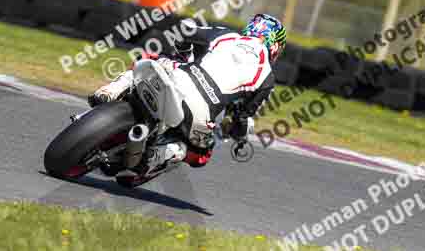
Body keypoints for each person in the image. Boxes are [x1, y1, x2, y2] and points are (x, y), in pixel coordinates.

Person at [89, 13, 286, 186]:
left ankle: (109, 91)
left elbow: (186, 32)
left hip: (178, 79)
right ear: (275, 46)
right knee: (202, 154)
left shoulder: (226, 35)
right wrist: (239, 135)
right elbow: (241, 119)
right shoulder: (267, 77)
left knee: (148, 59)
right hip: (200, 115)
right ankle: (153, 157)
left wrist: (183, 54)